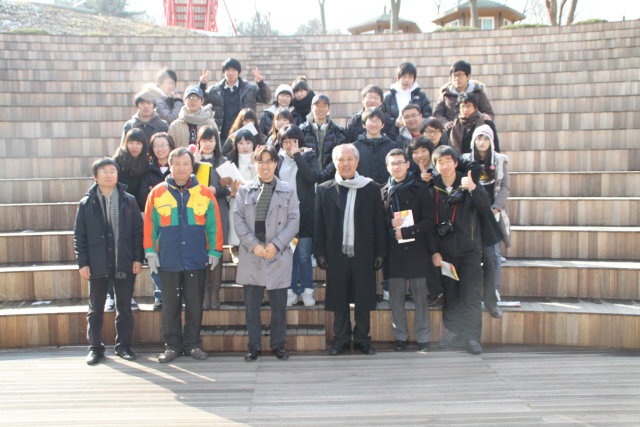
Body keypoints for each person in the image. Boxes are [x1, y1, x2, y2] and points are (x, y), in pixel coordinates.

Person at [144, 147, 223, 363]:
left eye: (186, 163)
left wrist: (215, 251)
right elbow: (150, 225)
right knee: (169, 304)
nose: (181, 168)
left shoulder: (205, 193)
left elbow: (214, 225)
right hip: (168, 258)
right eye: (177, 163)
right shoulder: (157, 193)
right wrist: (150, 251)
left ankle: (192, 344)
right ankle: (172, 346)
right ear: (170, 166)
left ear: (192, 166)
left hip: (195, 257)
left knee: (195, 304)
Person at [314, 144, 385, 356]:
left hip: (364, 251)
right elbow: (319, 224)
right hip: (335, 252)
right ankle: (341, 340)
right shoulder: (324, 189)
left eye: (349, 159)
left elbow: (379, 222)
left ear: (357, 161)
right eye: (341, 159)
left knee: (363, 297)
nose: (345, 163)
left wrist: (380, 252)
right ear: (334, 162)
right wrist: (320, 252)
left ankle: (363, 340)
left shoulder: (372, 188)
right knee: (339, 298)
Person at [74, 158, 144, 365]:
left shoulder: (129, 200)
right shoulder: (86, 203)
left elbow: (138, 232)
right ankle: (95, 348)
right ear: (95, 176)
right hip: (97, 264)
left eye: (112, 170)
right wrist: (83, 263)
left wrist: (137, 258)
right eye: (103, 171)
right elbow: (79, 236)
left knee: (124, 308)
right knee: (95, 309)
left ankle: (124, 346)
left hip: (124, 261)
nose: (109, 174)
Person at [234, 145, 300, 361]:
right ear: (255, 163)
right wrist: (254, 244)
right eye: (260, 161)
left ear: (275, 164)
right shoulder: (244, 190)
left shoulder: (287, 190)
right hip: (252, 253)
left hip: (277, 254)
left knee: (279, 307)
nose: (265, 166)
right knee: (252, 307)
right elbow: (238, 219)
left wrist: (277, 244)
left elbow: (294, 220)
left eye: (269, 161)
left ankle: (278, 345)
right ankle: (253, 346)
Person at [429, 145, 492, 355]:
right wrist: (434, 251)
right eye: (440, 162)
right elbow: (428, 224)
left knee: (471, 296)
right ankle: (455, 332)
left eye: (448, 161)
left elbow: (485, 206)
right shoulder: (431, 188)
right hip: (446, 254)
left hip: (469, 252)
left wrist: (474, 188)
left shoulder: (468, 183)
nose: (444, 166)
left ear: (456, 163)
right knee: (451, 295)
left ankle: (472, 337)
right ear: (435, 166)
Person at [381, 149, 436, 352]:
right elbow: (377, 221)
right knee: (396, 297)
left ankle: (423, 338)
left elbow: (430, 220)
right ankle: (400, 336)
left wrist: (407, 231)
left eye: (400, 162)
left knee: (420, 297)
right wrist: (389, 222)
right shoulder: (383, 190)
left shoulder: (421, 188)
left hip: (416, 249)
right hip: (393, 251)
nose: (396, 167)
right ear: (387, 167)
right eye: (392, 164)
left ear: (407, 164)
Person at [461, 125, 511, 319]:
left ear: (491, 141)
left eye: (485, 139)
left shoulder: (500, 160)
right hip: (470, 215)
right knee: (469, 257)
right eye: (478, 138)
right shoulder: (465, 159)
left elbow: (505, 187)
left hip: (491, 215)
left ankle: (491, 301)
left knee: (491, 256)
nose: (481, 142)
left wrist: (495, 209)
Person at [275, 125, 321, 307]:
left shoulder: (309, 155)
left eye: (293, 141)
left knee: (303, 255)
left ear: (300, 141)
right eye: (285, 141)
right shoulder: (277, 159)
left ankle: (307, 291)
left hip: (305, 214)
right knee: (289, 256)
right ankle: (291, 291)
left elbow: (311, 177)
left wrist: (297, 156)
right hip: (284, 216)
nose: (289, 145)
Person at [107, 128, 148, 312]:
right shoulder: (117, 162)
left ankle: (127, 295)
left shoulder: (145, 163)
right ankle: (111, 295)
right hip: (117, 211)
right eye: (131, 142)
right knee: (114, 254)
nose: (134, 146)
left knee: (132, 255)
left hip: (136, 213)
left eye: (138, 143)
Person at [193, 125, 231, 309]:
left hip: (218, 210)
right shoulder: (192, 160)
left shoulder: (223, 162)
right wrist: (194, 164)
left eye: (211, 140)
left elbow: (231, 187)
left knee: (216, 248)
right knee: (200, 248)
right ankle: (204, 293)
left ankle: (214, 292)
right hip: (196, 213)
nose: (207, 144)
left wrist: (215, 190)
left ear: (216, 142)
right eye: (204, 140)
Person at [138, 132, 176, 311]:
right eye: (156, 146)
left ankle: (178, 294)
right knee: (155, 257)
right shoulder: (147, 170)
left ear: (170, 146)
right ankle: (160, 295)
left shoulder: (178, 167)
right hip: (155, 220)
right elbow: (143, 197)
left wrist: (155, 192)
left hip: (176, 220)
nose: (160, 149)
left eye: (164, 145)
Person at [200, 58, 271, 141]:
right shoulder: (215, 90)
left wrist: (261, 83)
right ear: (224, 72)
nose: (231, 73)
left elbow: (266, 98)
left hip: (244, 134)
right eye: (228, 70)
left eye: (234, 70)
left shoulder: (249, 89)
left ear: (239, 72)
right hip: (222, 135)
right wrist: (202, 85)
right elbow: (201, 100)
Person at [226, 129, 258, 263]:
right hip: (236, 202)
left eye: (248, 142)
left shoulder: (258, 160)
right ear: (236, 145)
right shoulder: (230, 162)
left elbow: (260, 181)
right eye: (241, 143)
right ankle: (235, 250)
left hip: (254, 204)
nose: (245, 146)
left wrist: (255, 163)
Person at [435, 60, 495, 131]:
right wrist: (445, 123)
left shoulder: (478, 93)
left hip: (475, 130)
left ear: (468, 76)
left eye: (460, 75)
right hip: (452, 131)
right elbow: (437, 114)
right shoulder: (445, 94)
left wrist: (485, 118)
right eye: (454, 75)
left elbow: (489, 113)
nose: (457, 78)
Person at [299, 94, 347, 183]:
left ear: (328, 108)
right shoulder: (302, 131)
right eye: (317, 106)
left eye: (324, 106)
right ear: (312, 107)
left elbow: (340, 155)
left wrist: (326, 173)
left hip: (331, 179)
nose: (321, 109)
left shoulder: (337, 131)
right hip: (307, 178)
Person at [353, 107, 398, 185]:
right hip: (361, 188)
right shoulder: (355, 147)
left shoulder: (392, 146)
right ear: (364, 124)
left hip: (386, 189)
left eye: (377, 121)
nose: (374, 124)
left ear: (383, 125)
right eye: (371, 121)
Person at [382, 62, 432, 131]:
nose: (406, 80)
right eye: (404, 76)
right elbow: (381, 116)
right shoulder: (387, 97)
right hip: (392, 135)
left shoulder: (421, 96)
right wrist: (394, 122)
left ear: (414, 79)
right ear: (398, 78)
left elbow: (427, 115)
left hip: (415, 134)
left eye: (410, 77)